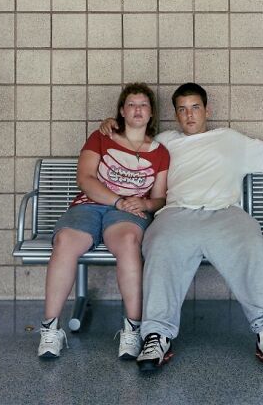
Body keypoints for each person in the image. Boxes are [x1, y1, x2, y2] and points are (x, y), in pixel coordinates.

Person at [101, 82, 263, 371]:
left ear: (207, 110)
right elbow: (131, 142)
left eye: (195, 108)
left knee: (252, 243)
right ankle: (157, 335)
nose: (189, 115)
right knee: (160, 246)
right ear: (175, 114)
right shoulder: (163, 141)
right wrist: (112, 126)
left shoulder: (228, 139)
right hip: (177, 214)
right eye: (182, 110)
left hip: (225, 214)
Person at [38, 83, 169, 360]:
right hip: (91, 205)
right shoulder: (101, 137)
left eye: (143, 105)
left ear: (151, 113)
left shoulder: (160, 153)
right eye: (131, 104)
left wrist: (144, 204)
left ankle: (132, 330)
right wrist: (118, 200)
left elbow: (159, 198)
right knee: (65, 241)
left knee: (129, 243)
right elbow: (85, 179)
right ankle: (50, 330)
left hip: (128, 214)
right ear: (121, 111)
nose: (137, 109)